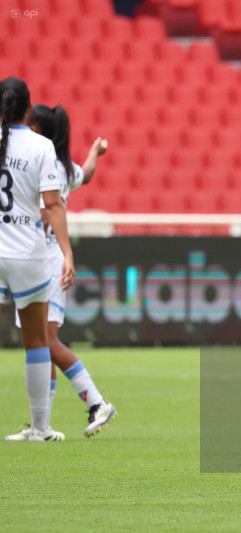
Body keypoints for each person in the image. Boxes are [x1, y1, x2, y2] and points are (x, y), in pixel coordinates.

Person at [5, 104, 115, 441]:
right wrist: (96, 151)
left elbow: (44, 207)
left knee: (46, 342)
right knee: (38, 344)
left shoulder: (40, 164)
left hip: (46, 259)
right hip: (38, 257)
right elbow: (88, 173)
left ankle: (97, 402)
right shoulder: (63, 168)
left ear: (35, 129)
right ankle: (41, 426)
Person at [0, 77, 75, 441]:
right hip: (27, 254)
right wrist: (66, 252)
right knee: (36, 341)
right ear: (28, 109)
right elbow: (53, 204)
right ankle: (40, 427)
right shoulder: (41, 146)